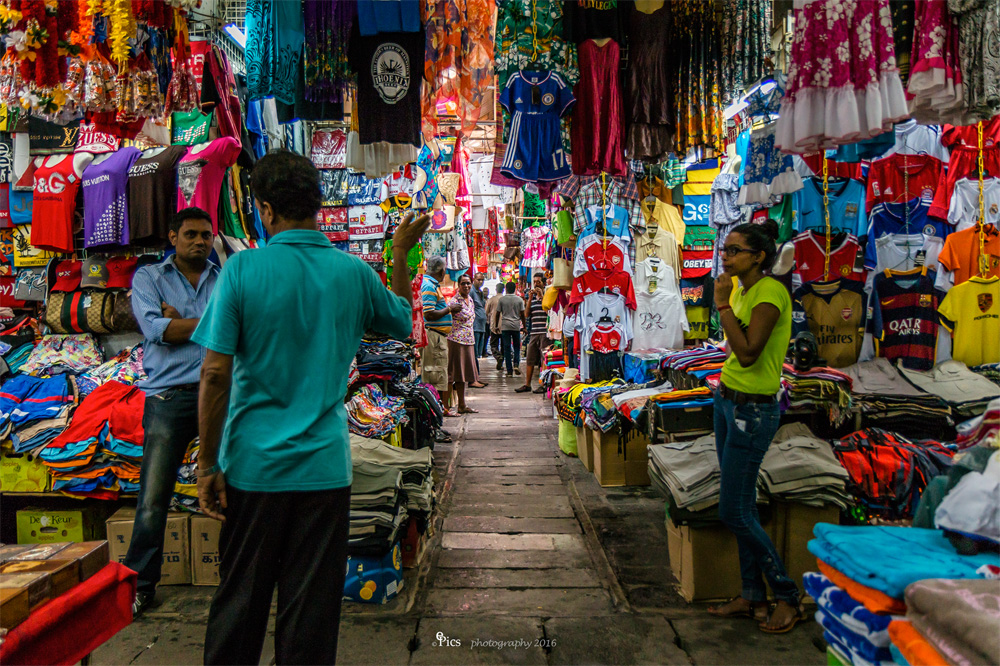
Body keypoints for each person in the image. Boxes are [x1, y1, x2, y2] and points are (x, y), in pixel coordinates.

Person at [192, 150, 430, 665]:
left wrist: (207, 463)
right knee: (310, 615)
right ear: (317, 207)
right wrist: (397, 257)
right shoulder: (352, 273)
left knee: (240, 603)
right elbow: (402, 325)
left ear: (267, 210)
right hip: (324, 471)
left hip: (253, 471)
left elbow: (214, 374)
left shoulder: (241, 271)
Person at [706, 220, 803, 634]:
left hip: (753, 411)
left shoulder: (770, 292)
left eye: (733, 250)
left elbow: (747, 353)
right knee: (740, 508)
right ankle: (751, 594)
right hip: (728, 400)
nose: (725, 256)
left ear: (758, 256)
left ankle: (786, 595)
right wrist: (728, 303)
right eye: (724, 249)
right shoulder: (745, 290)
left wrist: (723, 306)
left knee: (734, 511)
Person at [125, 207, 218, 618]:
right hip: (167, 397)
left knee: (239, 485)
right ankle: (140, 586)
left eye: (206, 235)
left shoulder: (224, 276)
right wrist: (210, 323)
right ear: (172, 236)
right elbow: (155, 330)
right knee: (153, 498)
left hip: (218, 393)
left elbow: (241, 326)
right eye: (192, 234)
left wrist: (183, 323)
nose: (200, 241)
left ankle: (239, 576)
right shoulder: (149, 278)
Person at [421, 256, 462, 416]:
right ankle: (435, 413)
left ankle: (438, 411)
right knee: (435, 375)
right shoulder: (429, 286)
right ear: (442, 270)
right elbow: (429, 313)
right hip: (433, 338)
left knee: (438, 374)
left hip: (437, 337)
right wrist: (449, 309)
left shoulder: (432, 285)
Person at [447, 275, 483, 412]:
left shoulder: (471, 300)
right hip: (456, 340)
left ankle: (462, 405)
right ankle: (446, 406)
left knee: (462, 375)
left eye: (468, 283)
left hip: (468, 340)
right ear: (458, 285)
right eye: (463, 284)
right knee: (452, 374)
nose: (466, 286)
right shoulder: (455, 301)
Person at [517, 274, 550, 393]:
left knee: (543, 359)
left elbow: (548, 312)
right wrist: (530, 299)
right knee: (530, 359)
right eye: (535, 282)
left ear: (543, 283)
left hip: (545, 333)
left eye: (538, 282)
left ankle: (543, 384)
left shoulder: (547, 296)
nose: (536, 284)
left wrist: (542, 297)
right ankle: (527, 384)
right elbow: (526, 314)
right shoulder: (532, 298)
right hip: (534, 332)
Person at [497, 281, 525, 376]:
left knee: (507, 348)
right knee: (517, 347)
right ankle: (516, 364)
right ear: (515, 289)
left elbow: (497, 313)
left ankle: (509, 371)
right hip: (516, 326)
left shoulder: (502, 300)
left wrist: (497, 325)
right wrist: (524, 326)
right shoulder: (519, 300)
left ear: (506, 288)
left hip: (505, 326)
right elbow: (522, 314)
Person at [471, 273, 489, 359]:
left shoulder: (480, 293)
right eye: (479, 280)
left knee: (479, 352)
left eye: (482, 280)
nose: (481, 282)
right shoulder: (471, 291)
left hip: (481, 325)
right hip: (475, 325)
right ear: (474, 279)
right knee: (475, 352)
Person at [485, 287, 503, 370]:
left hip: (494, 325)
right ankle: (501, 361)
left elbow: (486, 312)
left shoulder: (491, 299)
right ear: (503, 290)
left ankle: (498, 356)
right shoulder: (505, 299)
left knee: (493, 344)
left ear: (496, 289)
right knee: (504, 345)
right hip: (504, 325)